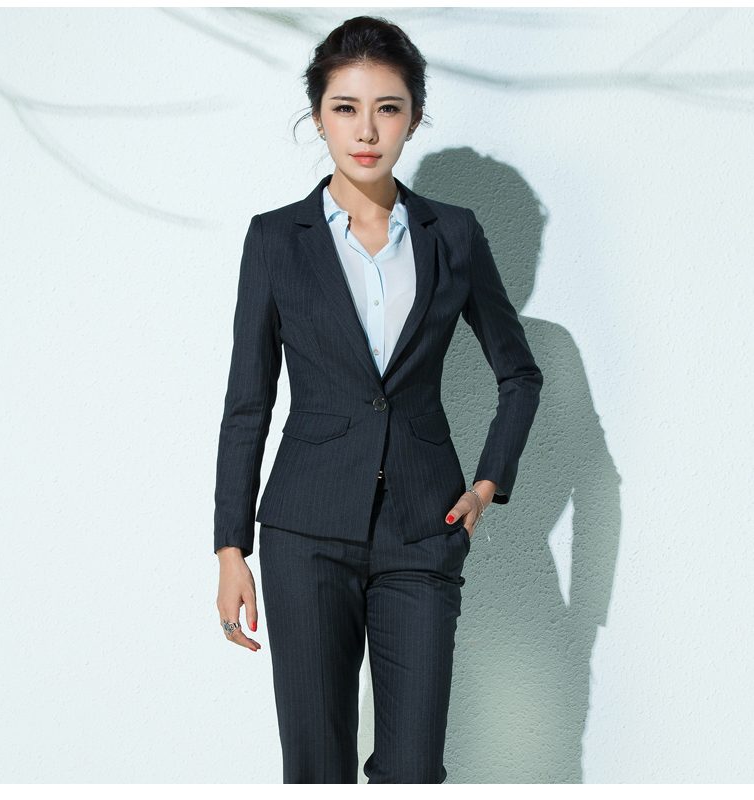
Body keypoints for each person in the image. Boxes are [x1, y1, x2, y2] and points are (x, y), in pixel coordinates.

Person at [213, 16, 543, 784]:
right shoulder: (275, 240)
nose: (367, 131)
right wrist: (231, 548)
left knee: (413, 770)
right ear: (318, 115)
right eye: (346, 108)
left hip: (423, 533)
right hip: (304, 535)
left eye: (388, 108)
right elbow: (248, 402)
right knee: (317, 768)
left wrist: (487, 485)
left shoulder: (453, 235)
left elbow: (519, 375)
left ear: (414, 117)